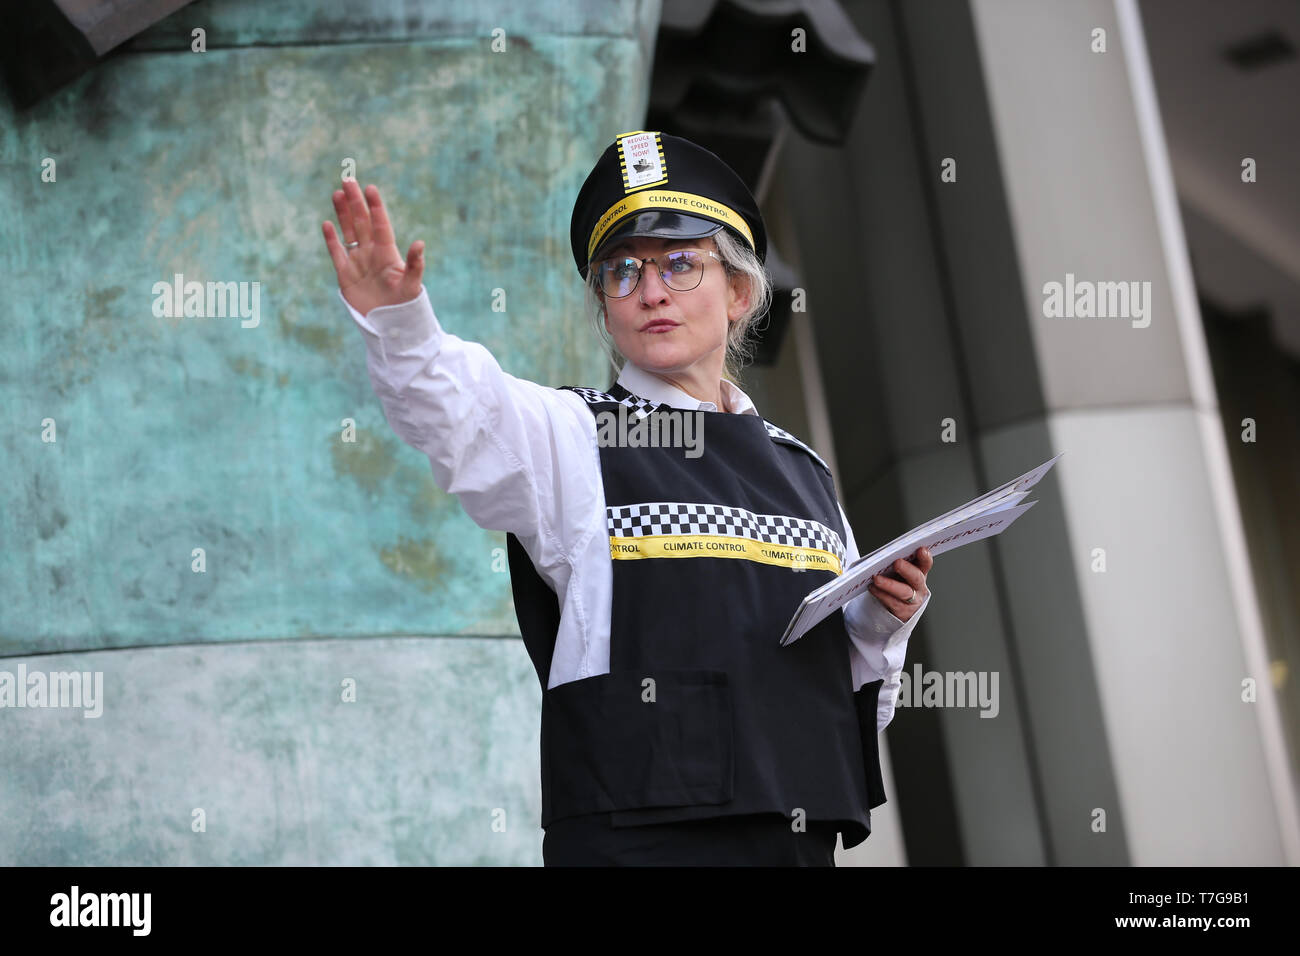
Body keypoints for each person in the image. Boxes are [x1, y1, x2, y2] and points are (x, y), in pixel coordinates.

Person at [322, 130, 933, 866]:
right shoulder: (576, 434)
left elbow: (853, 698)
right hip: (637, 846)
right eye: (621, 273)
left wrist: (880, 622)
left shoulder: (805, 473)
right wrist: (401, 324)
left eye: (680, 265)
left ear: (739, 291)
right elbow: (458, 414)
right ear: (605, 307)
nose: (650, 293)